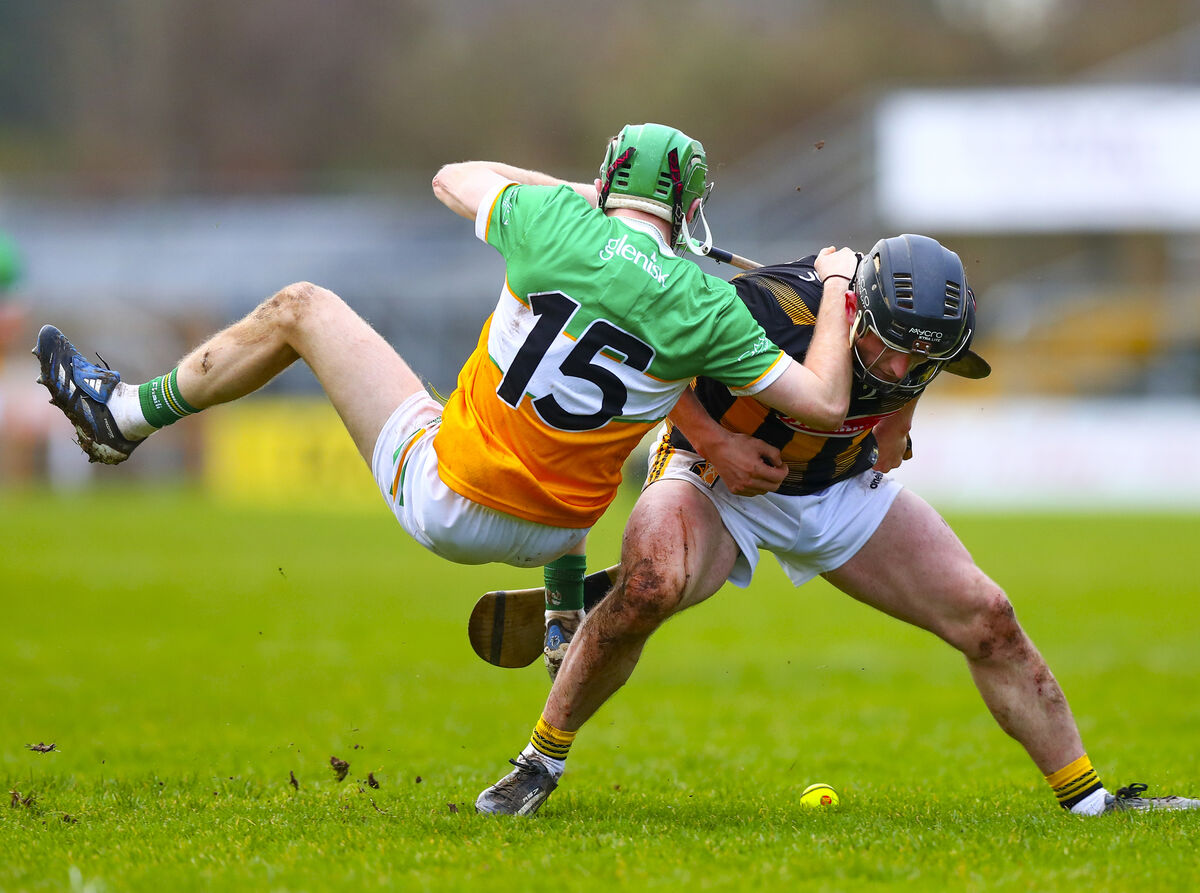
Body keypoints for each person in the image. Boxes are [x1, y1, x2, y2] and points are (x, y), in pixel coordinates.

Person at [33, 123, 854, 660]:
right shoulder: (707, 303)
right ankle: (565, 621)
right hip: (562, 527)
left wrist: (580, 200)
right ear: (693, 208)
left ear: (605, 182)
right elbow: (822, 402)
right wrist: (840, 288)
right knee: (586, 429)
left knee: (302, 308)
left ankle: (123, 415)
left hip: (449, 499)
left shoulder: (549, 222)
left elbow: (453, 175)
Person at [475, 234, 1200, 817]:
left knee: (989, 617)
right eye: (889, 346)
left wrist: (899, 420)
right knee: (652, 587)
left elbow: (916, 371)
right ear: (857, 310)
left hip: (837, 487)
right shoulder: (766, 307)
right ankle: (539, 760)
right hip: (717, 478)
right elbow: (655, 366)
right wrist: (720, 443)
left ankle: (1091, 800)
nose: (900, 364)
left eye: (923, 358)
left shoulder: (923, 336)